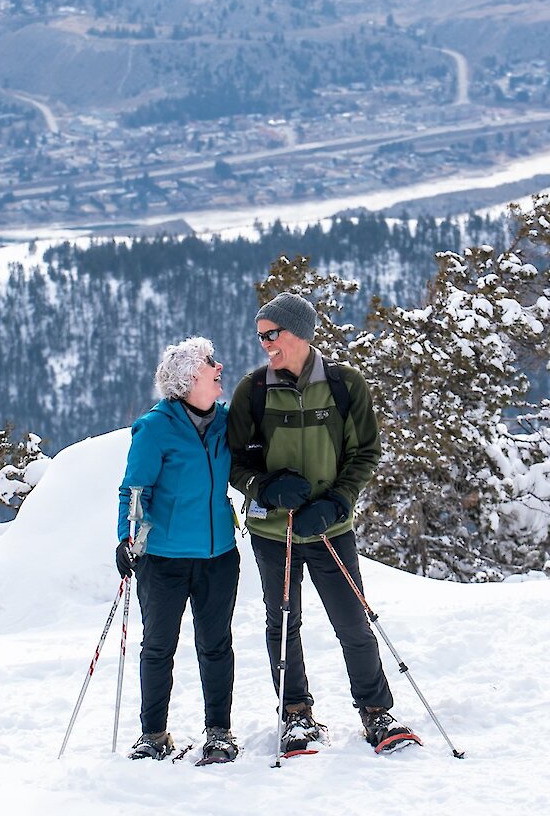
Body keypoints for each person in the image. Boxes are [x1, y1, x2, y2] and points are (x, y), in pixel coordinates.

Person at [227, 292, 419, 755]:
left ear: (300, 332)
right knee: (283, 623)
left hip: (330, 528)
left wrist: (336, 503)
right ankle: (295, 715)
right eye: (260, 336)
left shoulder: (343, 385)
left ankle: (376, 713)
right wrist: (265, 489)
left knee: (353, 620)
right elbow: (232, 461)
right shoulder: (253, 390)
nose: (265, 344)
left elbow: (365, 453)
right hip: (276, 532)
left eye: (272, 334)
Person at [116, 336, 241, 765]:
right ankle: (153, 734)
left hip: (219, 556)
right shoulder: (155, 427)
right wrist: (126, 539)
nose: (220, 365)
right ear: (189, 378)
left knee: (215, 645)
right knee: (158, 647)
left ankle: (219, 733)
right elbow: (134, 491)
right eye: (211, 362)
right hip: (164, 560)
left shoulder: (227, 422)